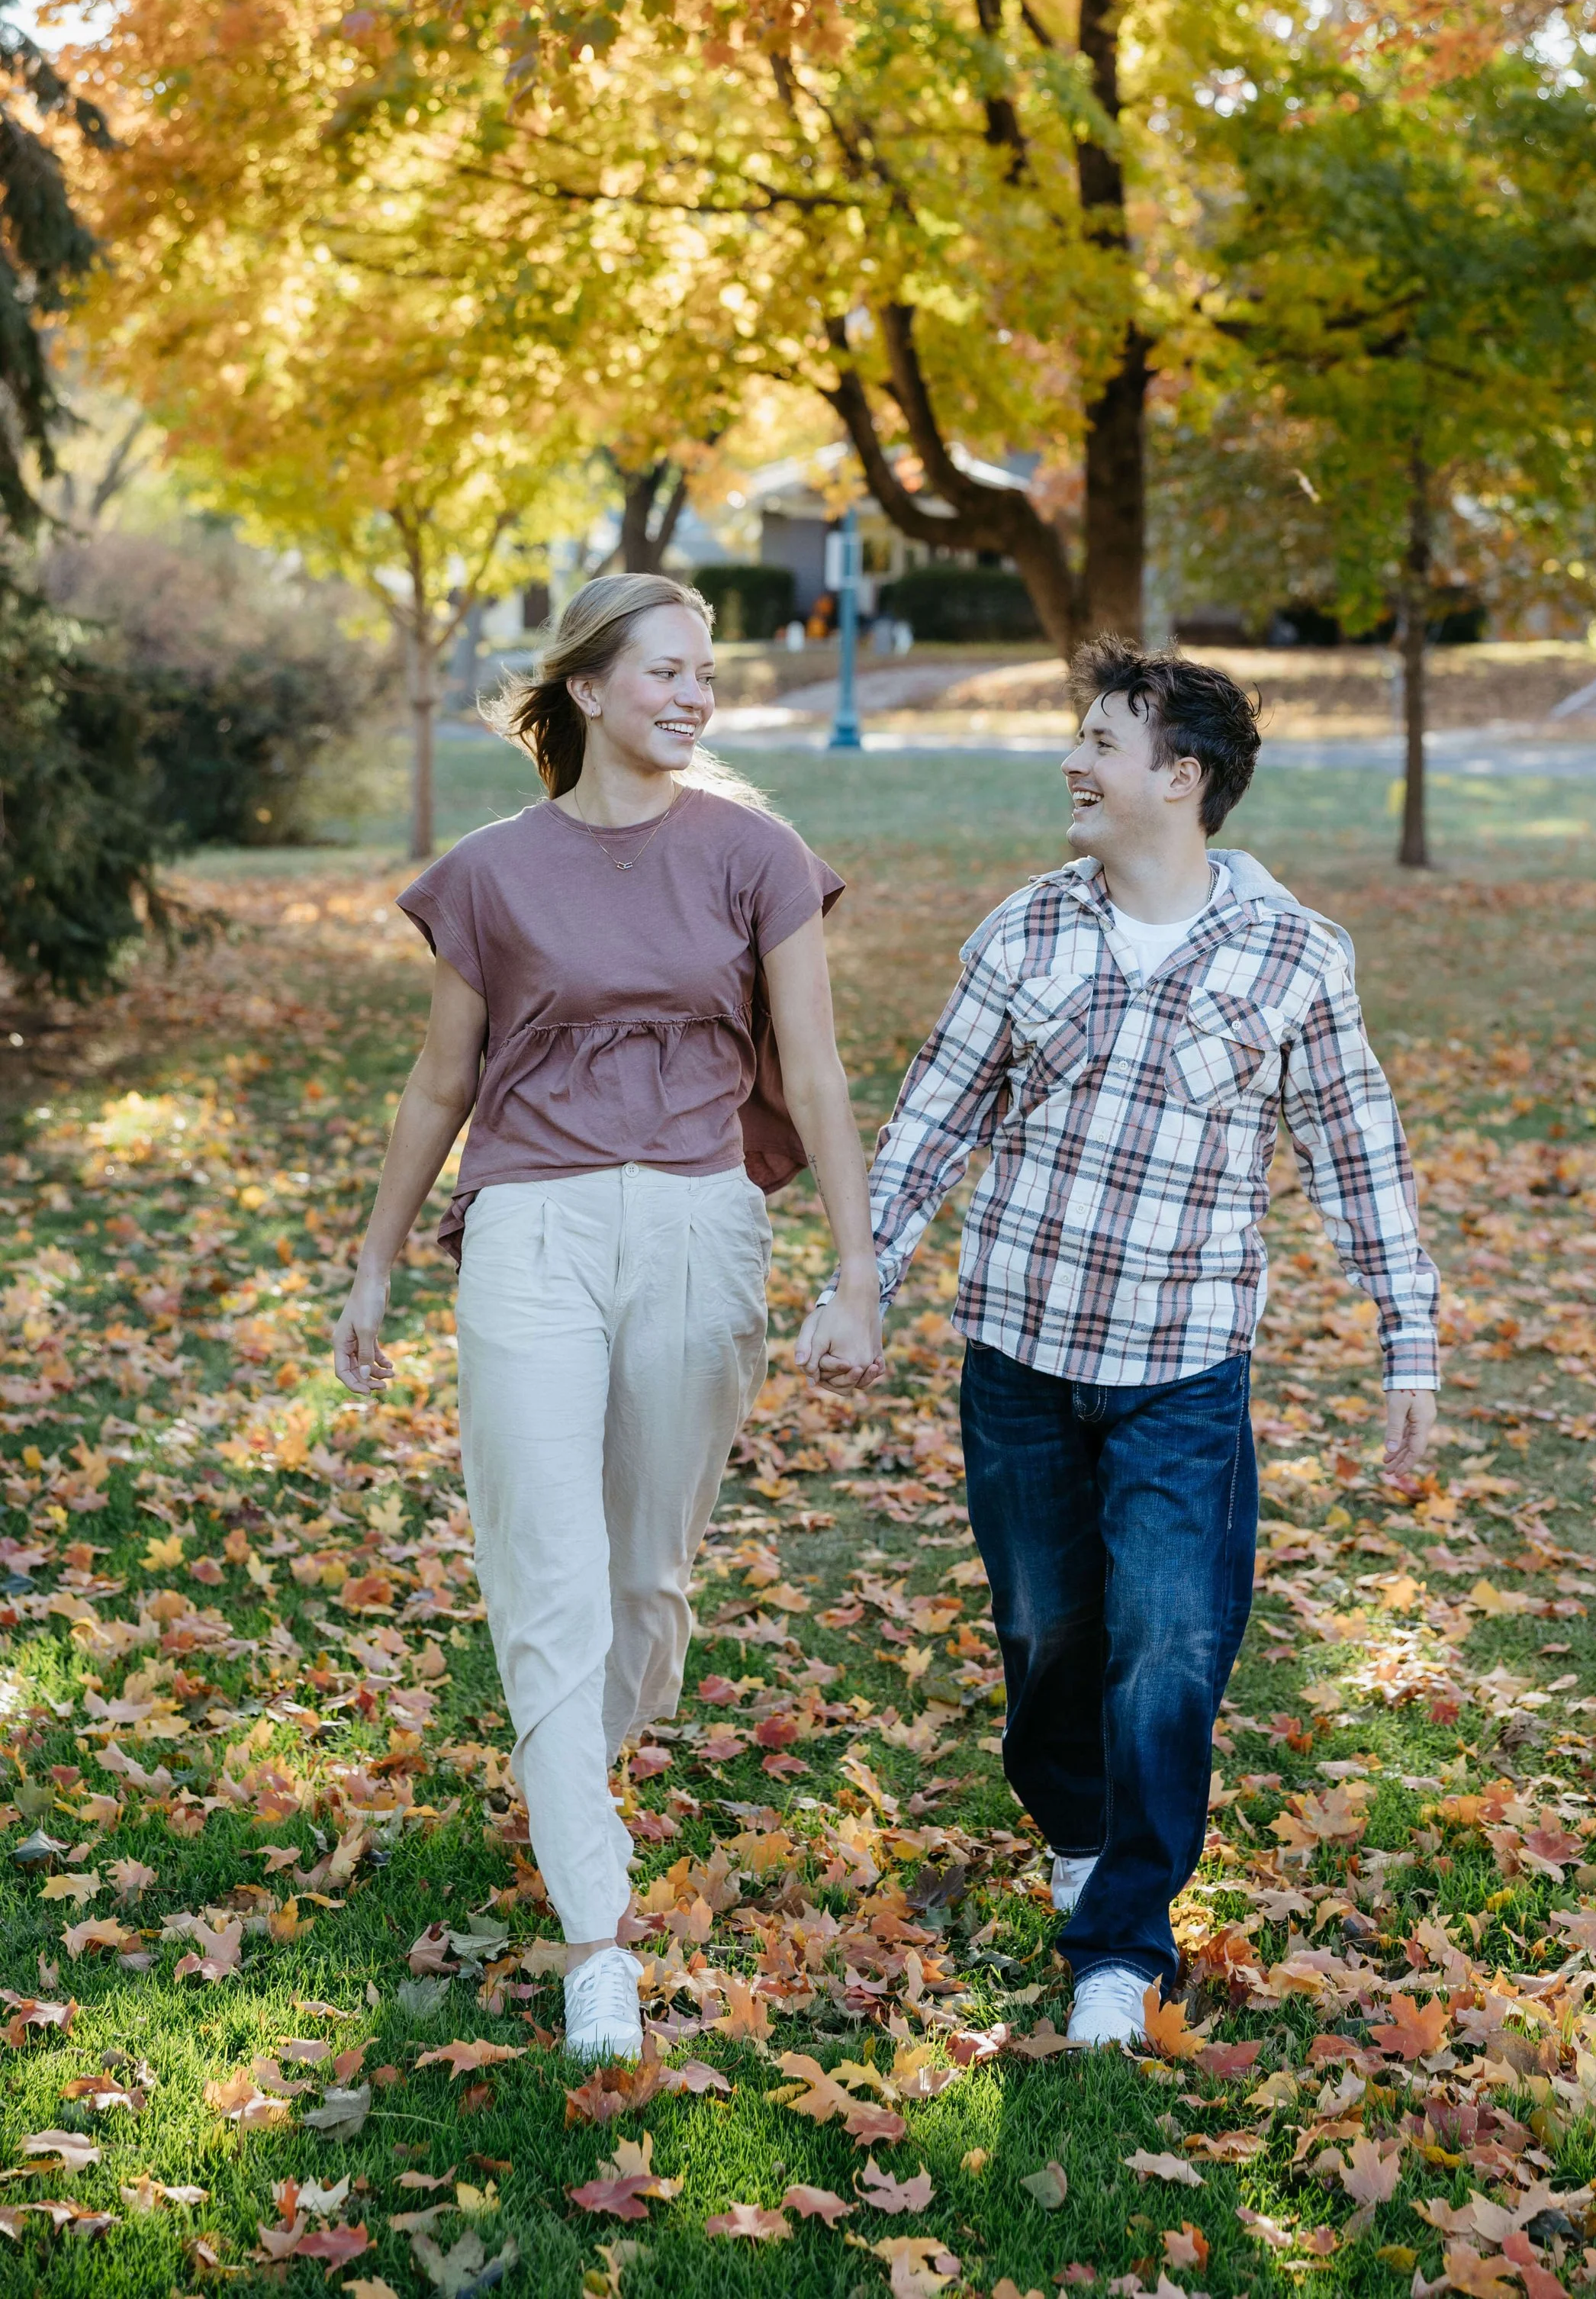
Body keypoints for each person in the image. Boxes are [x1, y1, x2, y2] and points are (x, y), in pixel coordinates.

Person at [802, 638, 1438, 2047]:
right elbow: (934, 1121)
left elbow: (1360, 1158)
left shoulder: (1292, 958)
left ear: (1183, 776)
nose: (1074, 763)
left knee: (1167, 1641)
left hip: (1184, 1373)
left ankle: (1120, 1941)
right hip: (1018, 1353)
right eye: (1078, 737)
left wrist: (1411, 1344)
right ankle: (1078, 1822)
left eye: (1102, 740)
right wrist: (864, 1279)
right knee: (1044, 1630)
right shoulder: (1026, 928)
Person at [331, 575, 883, 2061]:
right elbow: (441, 1082)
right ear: (585, 689)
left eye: (706, 673)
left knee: (646, 1583)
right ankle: (597, 1939)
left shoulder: (754, 854)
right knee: (548, 1572)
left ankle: (576, 1755)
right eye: (663, 672)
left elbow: (817, 1076)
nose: (694, 696)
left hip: (702, 1225)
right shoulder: (494, 874)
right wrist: (379, 1260)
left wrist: (855, 1266)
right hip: (531, 1225)